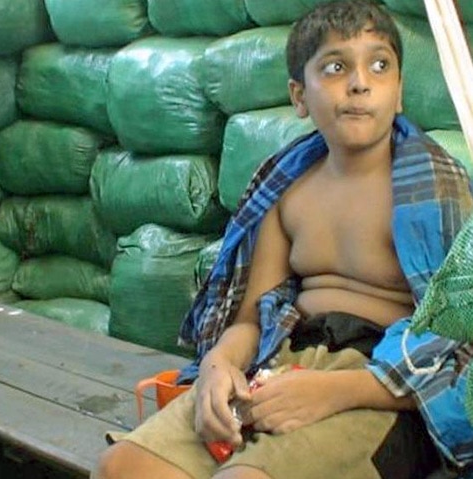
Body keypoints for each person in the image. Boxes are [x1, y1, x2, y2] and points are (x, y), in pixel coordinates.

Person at [92, 1, 473, 478]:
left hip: (383, 385)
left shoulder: (435, 189)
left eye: (379, 66)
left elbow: (457, 347)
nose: (360, 83)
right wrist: (218, 367)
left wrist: (334, 391)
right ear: (299, 96)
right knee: (122, 466)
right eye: (335, 67)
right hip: (285, 361)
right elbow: (252, 320)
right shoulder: (286, 187)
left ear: (399, 93)